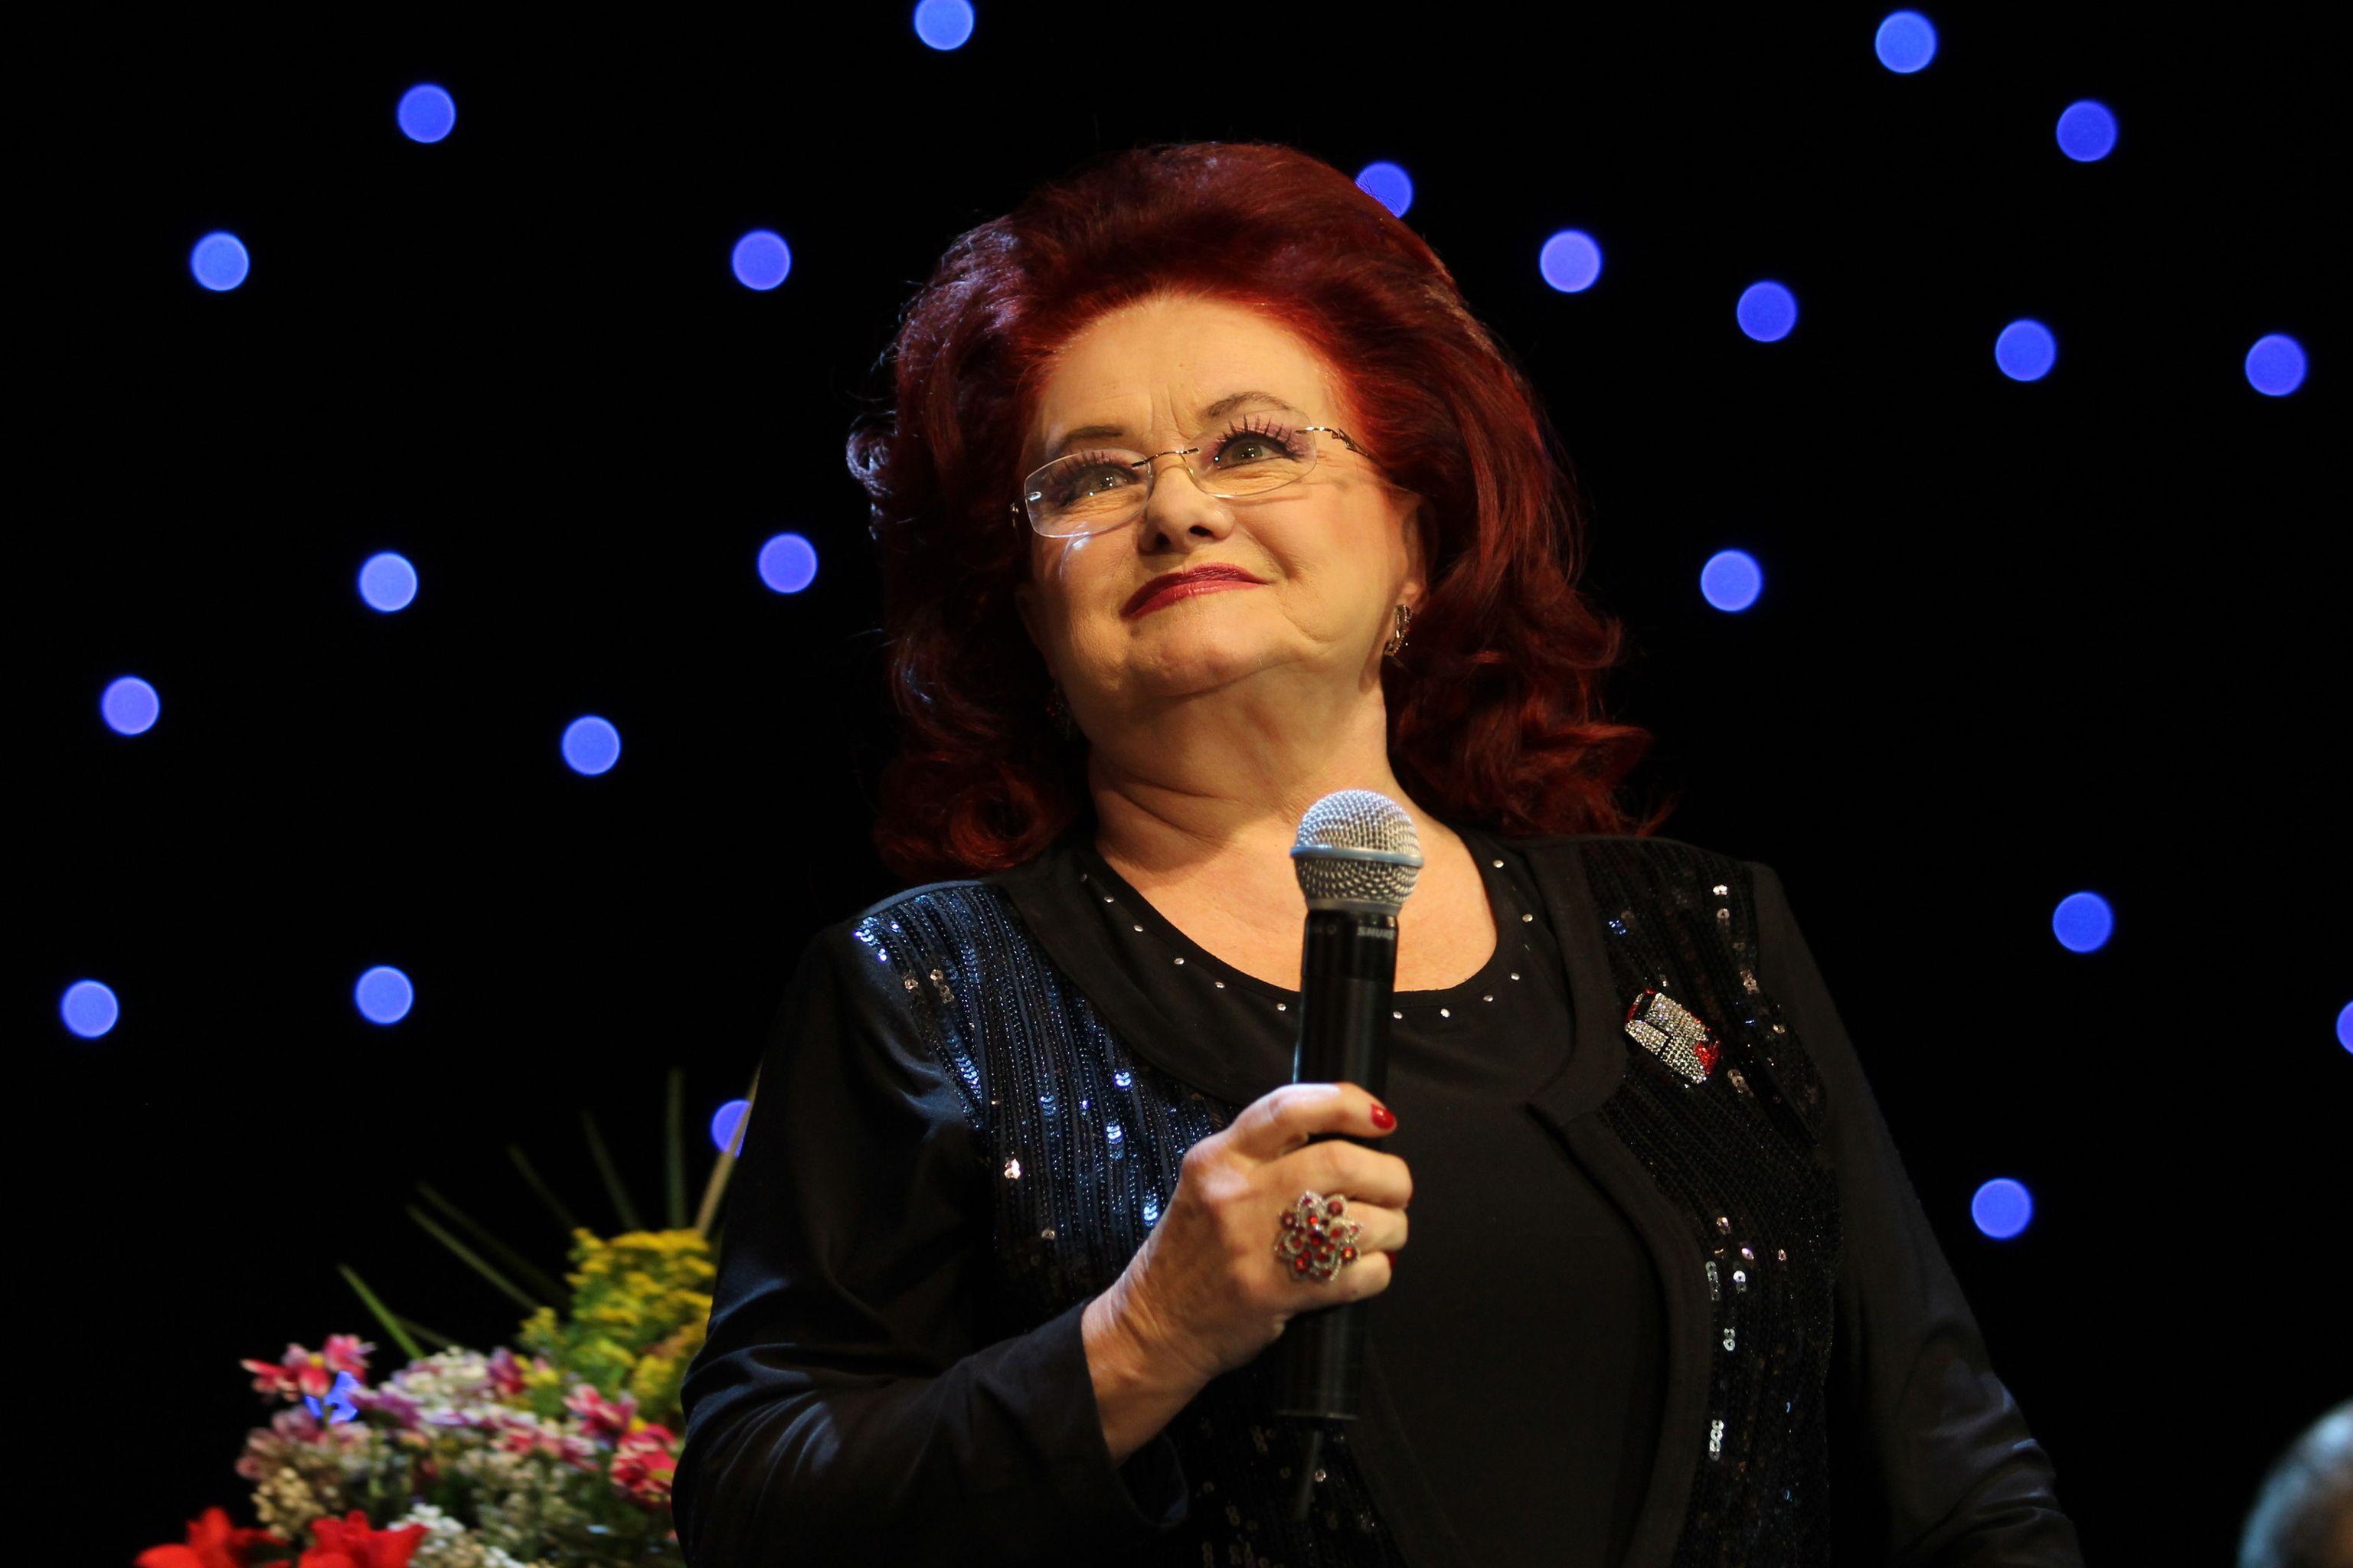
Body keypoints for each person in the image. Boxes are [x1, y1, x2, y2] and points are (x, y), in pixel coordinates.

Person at [672, 139, 2083, 1566]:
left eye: (1253, 445)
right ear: (1027, 612)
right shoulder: (928, 990)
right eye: (1088, 478)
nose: (1178, 509)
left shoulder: (1702, 935)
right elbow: (757, 1507)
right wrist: (1148, 1333)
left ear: (1416, 538)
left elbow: (1964, 1491)